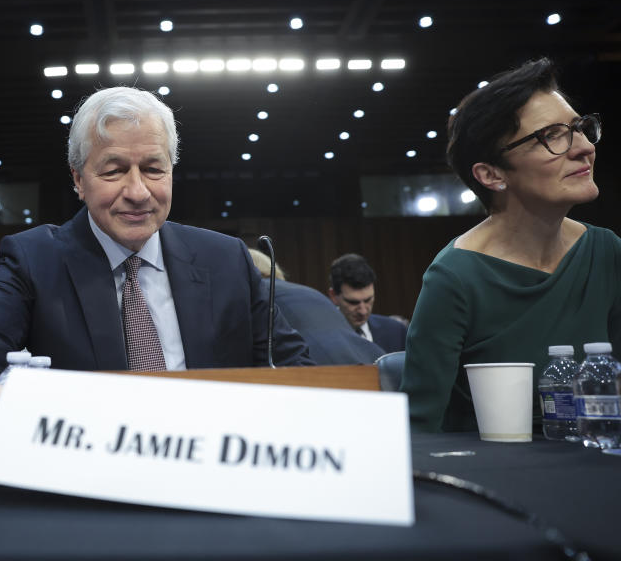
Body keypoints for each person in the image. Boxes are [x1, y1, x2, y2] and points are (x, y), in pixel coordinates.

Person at [0, 86, 314, 474]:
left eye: (154, 169)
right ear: (78, 179)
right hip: (90, 485)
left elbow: (295, 366)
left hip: (216, 472)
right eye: (114, 170)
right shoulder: (38, 258)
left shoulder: (225, 259)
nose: (137, 191)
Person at [400, 58, 621, 432]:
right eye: (552, 135)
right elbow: (417, 430)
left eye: (581, 128)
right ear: (491, 174)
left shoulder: (606, 251)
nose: (584, 147)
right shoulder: (454, 278)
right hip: (495, 474)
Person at [249, 249, 383, 365]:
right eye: (353, 302)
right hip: (373, 364)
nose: (363, 310)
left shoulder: (259, 293)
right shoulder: (309, 292)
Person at [328, 254, 406, 352]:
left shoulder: (396, 331)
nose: (363, 311)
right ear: (333, 296)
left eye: (368, 300)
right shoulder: (319, 336)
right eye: (353, 302)